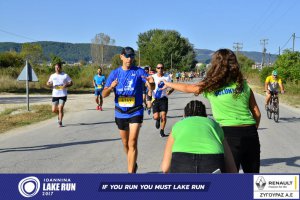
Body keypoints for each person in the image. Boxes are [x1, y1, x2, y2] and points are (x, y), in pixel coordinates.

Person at [162, 49, 261, 173]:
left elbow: (188, 88)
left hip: (229, 132)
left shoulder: (212, 86)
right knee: (253, 178)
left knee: (229, 178)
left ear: (216, 65)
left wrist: (169, 84)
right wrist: (251, 130)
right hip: (251, 133)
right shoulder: (243, 85)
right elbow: (257, 113)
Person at [102, 47, 155, 173]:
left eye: (131, 56)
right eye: (127, 56)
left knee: (132, 142)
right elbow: (104, 94)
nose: (129, 59)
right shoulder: (115, 73)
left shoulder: (139, 72)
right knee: (125, 144)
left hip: (136, 111)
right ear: (121, 57)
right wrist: (111, 88)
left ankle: (130, 174)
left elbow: (151, 85)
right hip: (120, 112)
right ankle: (132, 162)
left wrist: (151, 83)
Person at [161, 100, 237, 173]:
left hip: (182, 162)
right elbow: (232, 168)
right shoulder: (214, 125)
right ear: (205, 116)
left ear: (184, 116)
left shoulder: (177, 126)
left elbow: (165, 168)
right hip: (212, 162)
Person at [47, 62, 73, 127]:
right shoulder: (52, 76)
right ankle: (59, 114)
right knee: (53, 110)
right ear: (54, 68)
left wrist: (66, 85)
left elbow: (71, 82)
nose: (57, 68)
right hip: (55, 95)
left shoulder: (65, 75)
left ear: (60, 68)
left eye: (58, 67)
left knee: (60, 108)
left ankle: (60, 121)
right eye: (56, 67)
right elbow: (48, 82)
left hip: (63, 94)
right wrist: (48, 84)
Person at [152, 63, 174, 137]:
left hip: (163, 99)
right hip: (155, 99)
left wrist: (170, 91)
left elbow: (173, 86)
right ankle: (157, 119)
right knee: (156, 116)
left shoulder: (167, 77)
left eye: (161, 68)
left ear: (163, 69)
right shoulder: (153, 77)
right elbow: (148, 85)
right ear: (156, 69)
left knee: (164, 116)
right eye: (158, 68)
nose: (160, 69)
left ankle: (162, 130)